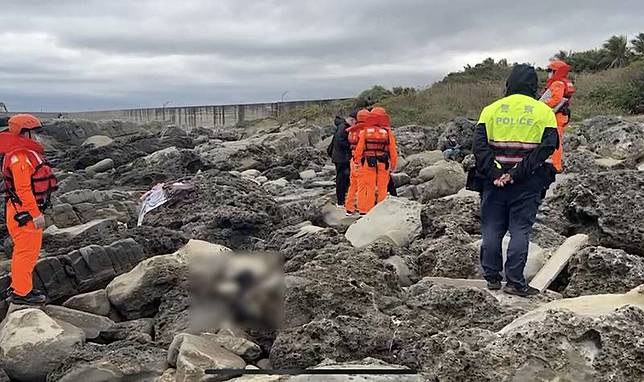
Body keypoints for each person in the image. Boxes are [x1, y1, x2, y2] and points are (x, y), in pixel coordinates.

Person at [473, 64, 559, 297]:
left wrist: (496, 173)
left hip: (494, 183)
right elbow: (548, 147)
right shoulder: (543, 112)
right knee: (520, 231)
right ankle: (514, 282)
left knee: (491, 229)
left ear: (509, 83)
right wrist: (516, 173)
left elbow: (479, 147)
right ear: (534, 86)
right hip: (527, 182)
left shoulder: (490, 110)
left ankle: (491, 278)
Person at [0, 114, 58, 305]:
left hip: (19, 210)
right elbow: (23, 189)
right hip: (23, 213)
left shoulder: (20, 154)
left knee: (24, 252)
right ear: (24, 133)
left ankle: (19, 286)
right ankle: (22, 293)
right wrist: (35, 214)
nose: (37, 137)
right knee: (26, 252)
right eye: (34, 132)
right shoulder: (20, 158)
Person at [354, 106, 398, 215]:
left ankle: (367, 211)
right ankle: (381, 210)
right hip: (383, 162)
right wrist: (393, 164)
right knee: (383, 187)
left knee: (370, 187)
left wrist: (357, 161)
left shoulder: (365, 131)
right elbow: (392, 150)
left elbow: (359, 148)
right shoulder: (387, 132)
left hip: (368, 162)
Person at [540, 60, 575, 173]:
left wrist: (539, 104)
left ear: (556, 71)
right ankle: (554, 163)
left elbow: (556, 100)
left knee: (556, 142)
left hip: (557, 116)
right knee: (556, 140)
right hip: (561, 115)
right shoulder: (564, 82)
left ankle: (556, 166)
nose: (548, 73)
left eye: (550, 71)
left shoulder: (558, 83)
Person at [344, 109, 370, 215]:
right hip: (361, 160)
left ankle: (349, 208)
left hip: (353, 159)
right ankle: (362, 209)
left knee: (353, 185)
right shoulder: (364, 131)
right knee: (362, 186)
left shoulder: (352, 131)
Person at [330, 110, 356, 207]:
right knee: (342, 180)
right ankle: (341, 202)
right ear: (352, 120)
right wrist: (352, 146)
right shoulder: (343, 128)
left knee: (344, 179)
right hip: (341, 158)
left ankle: (343, 200)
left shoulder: (342, 126)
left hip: (339, 157)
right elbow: (339, 141)